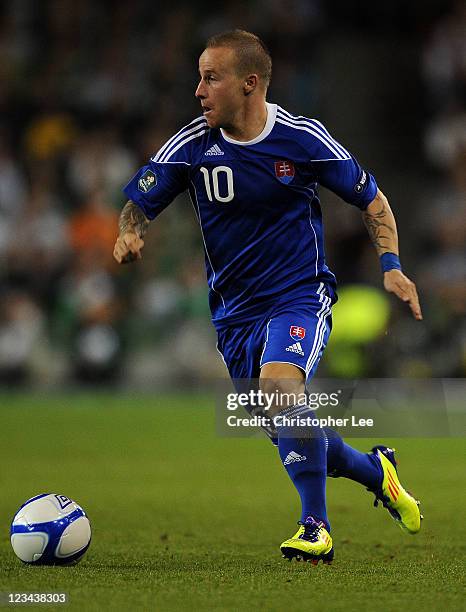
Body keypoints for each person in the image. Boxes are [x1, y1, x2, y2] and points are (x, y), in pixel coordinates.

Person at [113, 30, 423, 564]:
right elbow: (139, 202)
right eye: (199, 76)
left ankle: (315, 527)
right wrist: (129, 232)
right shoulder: (190, 146)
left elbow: (372, 199)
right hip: (234, 315)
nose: (198, 90)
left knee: (281, 389)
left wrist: (391, 267)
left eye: (212, 78)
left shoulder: (301, 139)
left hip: (299, 295)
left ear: (250, 83)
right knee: (292, 432)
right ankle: (379, 472)